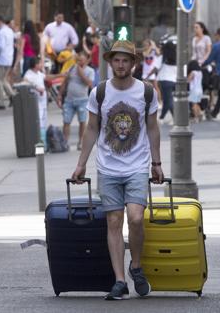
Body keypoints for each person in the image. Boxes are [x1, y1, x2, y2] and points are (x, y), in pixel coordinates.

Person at [71, 40, 163, 300]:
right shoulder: (99, 92)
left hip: (137, 165)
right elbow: (91, 129)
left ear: (133, 63)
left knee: (135, 218)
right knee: (114, 221)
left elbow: (153, 128)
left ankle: (136, 266)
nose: (120, 65)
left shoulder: (146, 92)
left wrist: (156, 163)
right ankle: (120, 280)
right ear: (110, 63)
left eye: (126, 60)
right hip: (108, 167)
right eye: (116, 60)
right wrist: (81, 164)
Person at [22, 57, 65, 145]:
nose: (42, 65)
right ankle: (41, 143)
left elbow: (47, 77)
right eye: (40, 63)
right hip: (35, 103)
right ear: (35, 65)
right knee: (39, 123)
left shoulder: (39, 73)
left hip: (43, 103)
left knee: (43, 122)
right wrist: (36, 88)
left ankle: (44, 142)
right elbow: (25, 82)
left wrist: (60, 75)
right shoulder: (28, 75)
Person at [57, 52, 94, 150]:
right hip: (69, 100)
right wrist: (60, 95)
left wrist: (80, 72)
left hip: (82, 100)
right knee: (66, 121)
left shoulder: (90, 71)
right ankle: (65, 142)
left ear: (86, 60)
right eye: (78, 60)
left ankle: (81, 142)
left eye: (81, 60)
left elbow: (89, 83)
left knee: (82, 122)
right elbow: (65, 81)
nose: (79, 62)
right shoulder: (72, 68)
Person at [157, 39, 177, 123]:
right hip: (173, 81)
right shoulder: (176, 58)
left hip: (164, 80)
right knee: (167, 100)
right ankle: (164, 118)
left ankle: (174, 118)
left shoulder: (163, 58)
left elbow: (157, 67)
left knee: (168, 101)